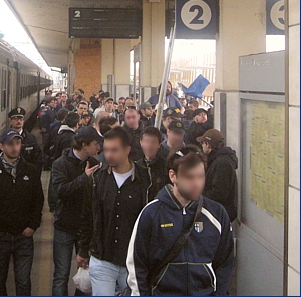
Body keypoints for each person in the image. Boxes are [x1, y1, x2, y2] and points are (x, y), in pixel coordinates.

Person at [126, 145, 234, 296]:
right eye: (189, 177)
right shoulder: (151, 213)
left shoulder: (217, 214)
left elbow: (225, 262)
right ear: (173, 176)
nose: (197, 183)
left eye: (200, 176)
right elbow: (137, 265)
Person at [77, 127, 157, 296]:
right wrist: (83, 250)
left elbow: (153, 218)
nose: (108, 155)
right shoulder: (96, 179)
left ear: (127, 150)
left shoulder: (146, 179)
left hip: (134, 261)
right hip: (103, 258)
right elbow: (87, 216)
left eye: (114, 150)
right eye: (106, 150)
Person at [0, 129, 44, 296]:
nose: (14, 147)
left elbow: (38, 200)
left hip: (23, 236)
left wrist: (33, 225)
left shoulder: (30, 171)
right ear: (1, 146)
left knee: (23, 281)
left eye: (17, 143)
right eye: (10, 143)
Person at [51, 126, 101, 296]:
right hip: (65, 226)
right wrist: (84, 178)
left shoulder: (96, 164)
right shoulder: (60, 164)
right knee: (61, 274)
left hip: (85, 229)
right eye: (96, 144)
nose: (98, 148)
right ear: (85, 145)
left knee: (86, 273)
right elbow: (61, 191)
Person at [197, 129, 238, 222]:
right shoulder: (216, 160)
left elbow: (219, 193)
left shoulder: (221, 164)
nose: (202, 146)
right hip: (217, 212)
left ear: (208, 144)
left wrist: (197, 195)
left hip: (219, 215)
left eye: (203, 143)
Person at [0, 107, 43, 174]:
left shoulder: (31, 139)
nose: (18, 121)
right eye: (15, 119)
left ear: (23, 121)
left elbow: (38, 160)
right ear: (10, 121)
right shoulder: (3, 138)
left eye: (21, 119)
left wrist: (33, 176)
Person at [137, 126, 170, 192]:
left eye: (153, 142)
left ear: (159, 145)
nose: (149, 145)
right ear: (141, 143)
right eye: (146, 141)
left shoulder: (166, 166)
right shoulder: (137, 166)